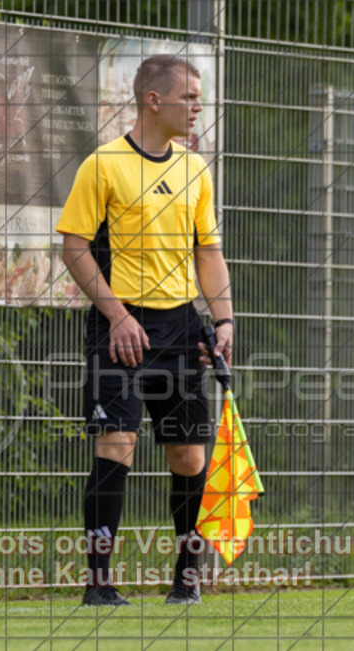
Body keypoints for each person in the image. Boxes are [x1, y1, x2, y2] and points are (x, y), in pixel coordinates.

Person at [57, 55, 234, 606]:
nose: (198, 107)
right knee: (117, 445)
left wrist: (223, 318)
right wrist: (117, 314)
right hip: (121, 328)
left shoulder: (194, 169)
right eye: (188, 97)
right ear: (153, 101)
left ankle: (186, 579)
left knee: (189, 455)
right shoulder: (102, 165)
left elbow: (208, 251)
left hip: (181, 328)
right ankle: (99, 584)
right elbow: (73, 246)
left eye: (199, 97)